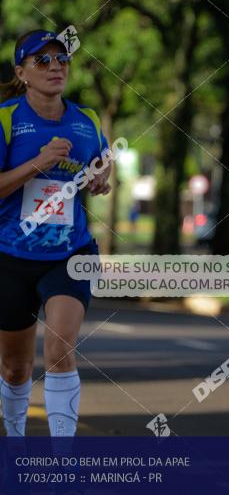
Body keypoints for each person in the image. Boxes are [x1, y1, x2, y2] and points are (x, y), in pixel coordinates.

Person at [0, 29, 112, 436]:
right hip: (9, 256)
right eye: (42, 60)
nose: (55, 67)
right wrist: (38, 162)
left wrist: (103, 177)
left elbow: (101, 163)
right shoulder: (6, 119)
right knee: (15, 367)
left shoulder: (87, 121)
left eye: (62, 59)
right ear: (22, 72)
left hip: (70, 252)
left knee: (60, 345)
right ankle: (14, 446)